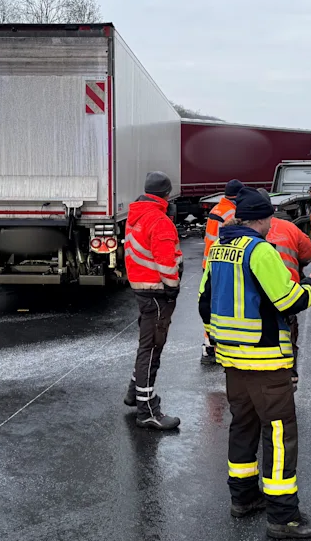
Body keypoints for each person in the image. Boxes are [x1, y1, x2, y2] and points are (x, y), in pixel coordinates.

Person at [199, 187, 311, 539]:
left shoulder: (218, 250)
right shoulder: (260, 251)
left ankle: (243, 498)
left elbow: (203, 301)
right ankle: (283, 516)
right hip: (265, 359)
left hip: (231, 358)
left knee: (243, 424)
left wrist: (220, 338)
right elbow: (287, 301)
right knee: (278, 433)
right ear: (263, 220)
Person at [122, 171, 183, 430]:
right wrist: (173, 288)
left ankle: (134, 393)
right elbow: (166, 261)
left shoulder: (137, 214)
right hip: (157, 292)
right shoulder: (159, 220)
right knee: (152, 349)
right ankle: (147, 410)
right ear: (166, 194)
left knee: (146, 344)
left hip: (142, 288)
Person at [258, 188, 311, 389]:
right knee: (288, 334)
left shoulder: (241, 231)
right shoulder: (289, 228)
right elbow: (309, 254)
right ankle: (289, 375)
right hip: (287, 293)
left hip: (254, 297)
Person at [201, 179, 242, 364]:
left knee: (209, 306)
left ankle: (208, 344)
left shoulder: (217, 209)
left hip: (208, 263)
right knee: (222, 307)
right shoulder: (232, 213)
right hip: (220, 263)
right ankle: (217, 346)